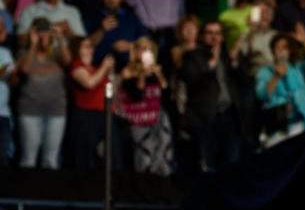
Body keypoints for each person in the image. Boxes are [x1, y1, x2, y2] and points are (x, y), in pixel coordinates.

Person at [180, 20, 245, 172]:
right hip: (206, 117)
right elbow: (192, 82)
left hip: (229, 115)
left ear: (222, 37)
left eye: (217, 33)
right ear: (203, 37)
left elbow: (242, 82)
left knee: (232, 163)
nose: (214, 37)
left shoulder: (227, 56)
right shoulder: (192, 57)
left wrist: (235, 62)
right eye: (210, 33)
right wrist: (211, 63)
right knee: (208, 165)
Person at [15, 18, 70, 168]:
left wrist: (60, 37)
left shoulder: (57, 53)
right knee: (28, 159)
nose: (44, 36)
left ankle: (50, 191)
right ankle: (26, 191)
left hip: (56, 111)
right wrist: (33, 44)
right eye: (40, 33)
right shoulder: (24, 53)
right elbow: (25, 69)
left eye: (47, 32)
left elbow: (68, 62)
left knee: (51, 160)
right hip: (30, 110)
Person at [119, 37, 172, 175]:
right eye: (141, 48)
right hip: (139, 118)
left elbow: (166, 92)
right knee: (144, 153)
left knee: (162, 152)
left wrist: (158, 74)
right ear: (135, 51)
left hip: (158, 117)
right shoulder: (128, 71)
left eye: (147, 49)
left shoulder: (157, 69)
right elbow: (136, 94)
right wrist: (142, 73)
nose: (143, 52)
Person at [255, 34, 305, 148]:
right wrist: (276, 77)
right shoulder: (265, 72)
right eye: (278, 47)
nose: (281, 51)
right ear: (273, 50)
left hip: (300, 123)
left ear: (289, 51)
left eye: (285, 47)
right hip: (278, 127)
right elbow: (262, 95)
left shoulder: (297, 69)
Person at [66, 37, 115, 171]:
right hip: (86, 117)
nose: (90, 49)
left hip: (102, 115)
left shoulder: (95, 68)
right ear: (77, 50)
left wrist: (110, 71)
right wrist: (104, 67)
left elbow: (111, 89)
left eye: (90, 46)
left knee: (102, 156)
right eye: (85, 46)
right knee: (84, 157)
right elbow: (89, 83)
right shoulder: (76, 66)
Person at [94, 0, 149, 70]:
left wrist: (130, 46)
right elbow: (88, 44)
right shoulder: (94, 17)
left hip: (130, 69)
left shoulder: (131, 17)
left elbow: (146, 41)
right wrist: (102, 29)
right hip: (100, 69)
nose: (111, 0)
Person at [0, 18, 13, 166]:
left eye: (3, 26)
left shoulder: (5, 52)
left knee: (2, 159)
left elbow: (11, 77)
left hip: (3, 113)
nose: (2, 30)